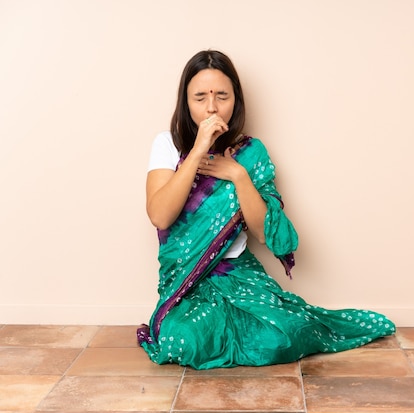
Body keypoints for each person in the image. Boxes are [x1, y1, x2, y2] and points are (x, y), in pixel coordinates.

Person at [137, 49, 395, 369]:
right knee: (185, 342)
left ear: (236, 100)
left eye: (222, 96)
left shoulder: (250, 153)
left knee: (284, 336)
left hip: (241, 276)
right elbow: (159, 215)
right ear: (185, 101)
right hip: (187, 284)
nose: (212, 107)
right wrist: (198, 149)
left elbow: (264, 233)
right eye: (200, 97)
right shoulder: (167, 144)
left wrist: (237, 175)